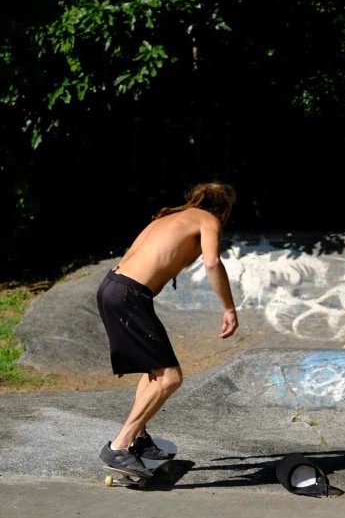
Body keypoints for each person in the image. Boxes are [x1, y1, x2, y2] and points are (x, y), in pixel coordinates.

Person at [96, 181, 239, 478]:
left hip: (112, 287)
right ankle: (119, 447)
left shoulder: (167, 218)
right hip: (129, 296)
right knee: (171, 378)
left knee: (155, 371)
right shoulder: (208, 219)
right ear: (223, 211)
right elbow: (212, 262)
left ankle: (138, 439)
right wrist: (228, 308)